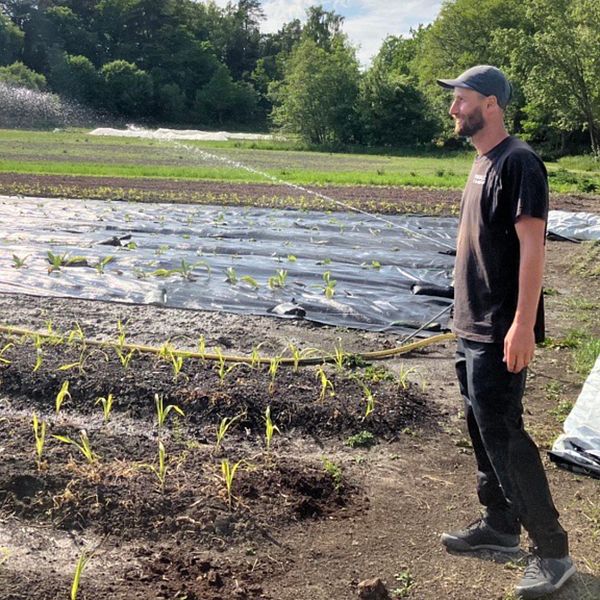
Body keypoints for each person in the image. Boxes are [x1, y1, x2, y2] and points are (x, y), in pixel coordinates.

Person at [435, 65, 575, 599]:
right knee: (480, 427)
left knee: (506, 436)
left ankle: (553, 551)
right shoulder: (481, 162)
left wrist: (521, 324)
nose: (454, 109)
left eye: (462, 99)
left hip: (499, 330)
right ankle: (498, 524)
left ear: (491, 104)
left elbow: (534, 249)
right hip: (471, 323)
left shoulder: (519, 162)